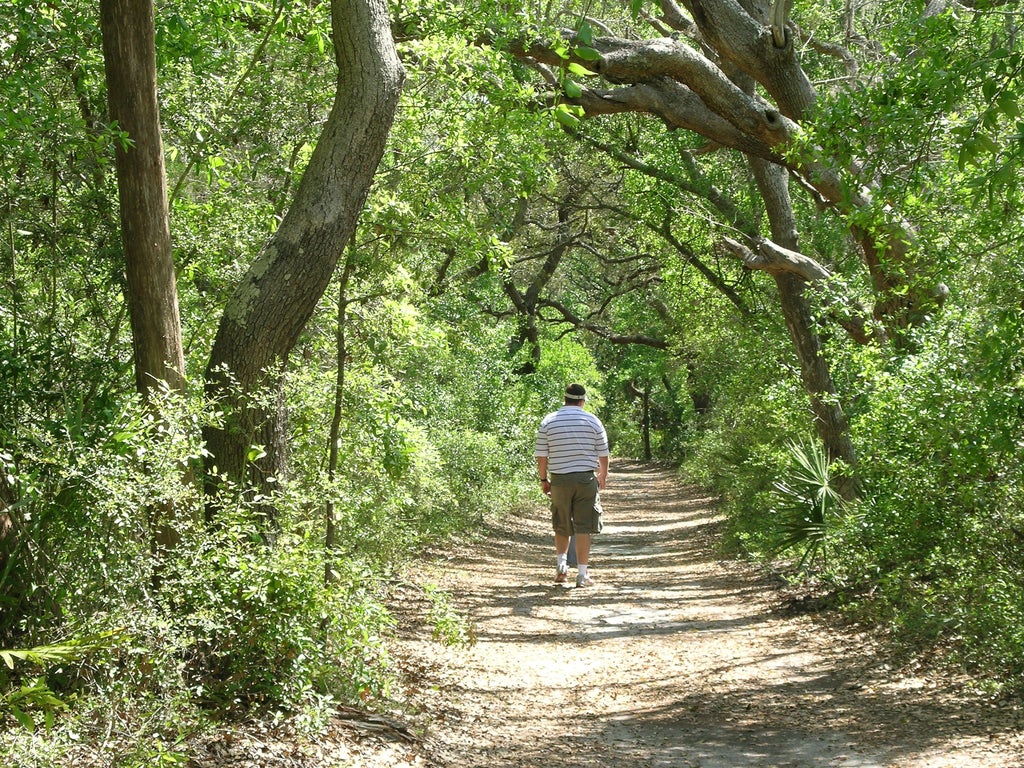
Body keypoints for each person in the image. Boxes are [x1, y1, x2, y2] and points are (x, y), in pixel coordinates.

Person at [534, 383, 609, 588]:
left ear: (564, 399)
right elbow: (603, 453)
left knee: (561, 522)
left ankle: (561, 567)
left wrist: (544, 480)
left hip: (559, 479)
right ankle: (582, 575)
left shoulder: (549, 421)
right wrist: (602, 475)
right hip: (585, 479)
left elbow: (542, 455)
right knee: (583, 526)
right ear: (582, 401)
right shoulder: (593, 420)